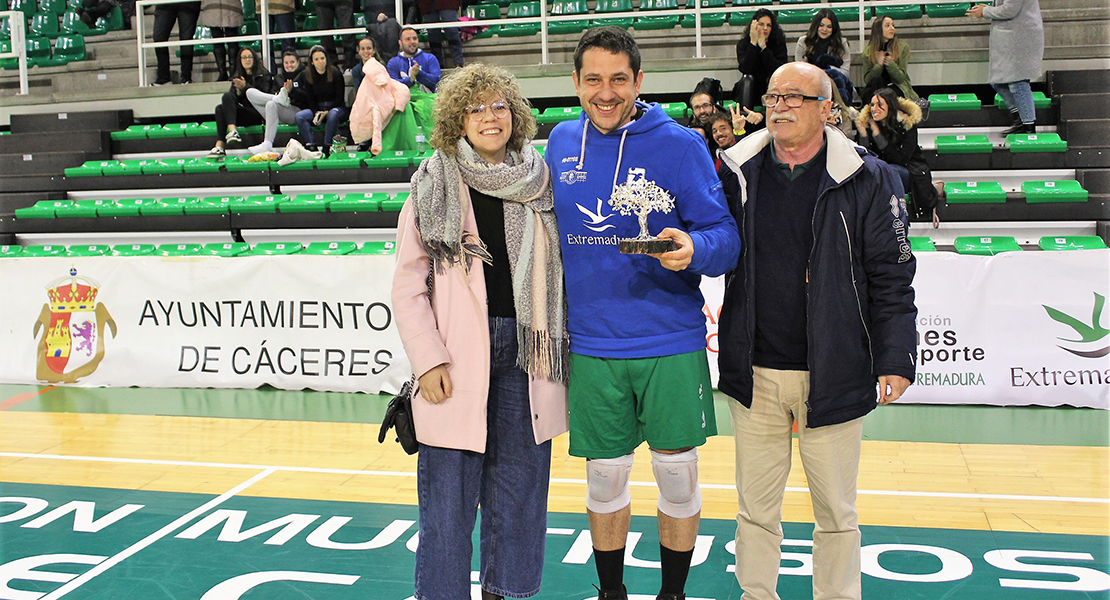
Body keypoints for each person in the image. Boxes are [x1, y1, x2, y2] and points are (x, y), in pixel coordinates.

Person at [545, 26, 740, 600]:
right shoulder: (558, 142)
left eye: (619, 80)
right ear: (575, 82)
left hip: (669, 341)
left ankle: (673, 594)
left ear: (639, 81)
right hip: (590, 344)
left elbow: (725, 237)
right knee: (604, 478)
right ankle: (611, 593)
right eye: (594, 80)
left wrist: (694, 251)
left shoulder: (680, 144)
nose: (606, 93)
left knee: (677, 476)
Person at [717, 61, 918, 600]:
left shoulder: (871, 178)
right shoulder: (737, 171)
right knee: (755, 510)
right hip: (753, 371)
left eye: (794, 97)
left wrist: (895, 357)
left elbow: (893, 277)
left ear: (827, 110)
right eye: (772, 96)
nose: (777, 106)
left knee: (835, 512)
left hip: (834, 371)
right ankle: (755, 593)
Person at [391, 62, 567, 600]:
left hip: (528, 353)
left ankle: (507, 593)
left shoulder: (541, 180)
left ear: (515, 114)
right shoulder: (431, 183)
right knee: (446, 505)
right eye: (476, 108)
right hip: (455, 358)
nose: (489, 117)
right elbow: (407, 284)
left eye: (499, 106)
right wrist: (429, 359)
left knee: (518, 498)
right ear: (455, 120)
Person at [856, 87, 941, 222]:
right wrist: (864, 135)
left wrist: (879, 137)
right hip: (881, 171)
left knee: (889, 171)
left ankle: (899, 214)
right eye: (872, 105)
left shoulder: (907, 125)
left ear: (890, 106)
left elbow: (901, 159)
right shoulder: (869, 124)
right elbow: (865, 157)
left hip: (909, 170)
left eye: (880, 105)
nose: (874, 108)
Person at [967, 0, 1044, 134]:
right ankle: (1020, 119)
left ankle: (1028, 127)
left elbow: (1010, 9)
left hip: (1020, 38)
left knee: (1018, 83)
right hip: (1012, 38)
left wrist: (984, 11)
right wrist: (989, 8)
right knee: (998, 82)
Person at [207, 47, 275, 157]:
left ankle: (228, 137)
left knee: (223, 107)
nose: (247, 60)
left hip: (258, 113)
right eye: (244, 57)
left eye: (249, 57)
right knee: (221, 105)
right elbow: (229, 101)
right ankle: (221, 143)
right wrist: (238, 93)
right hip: (244, 113)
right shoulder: (237, 76)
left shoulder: (264, 75)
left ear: (254, 59)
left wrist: (245, 87)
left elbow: (263, 97)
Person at [348, 36, 410, 154]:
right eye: (363, 48)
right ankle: (365, 140)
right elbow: (359, 90)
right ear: (359, 51)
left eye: (369, 48)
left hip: (381, 97)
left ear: (374, 50)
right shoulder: (356, 70)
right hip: (365, 98)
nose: (366, 51)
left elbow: (385, 84)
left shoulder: (381, 65)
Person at [290, 45, 348, 154]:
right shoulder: (308, 75)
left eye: (322, 58)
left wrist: (325, 112)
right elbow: (310, 98)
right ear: (312, 62)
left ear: (326, 59)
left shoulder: (335, 73)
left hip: (336, 107)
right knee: (300, 116)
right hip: (317, 108)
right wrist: (317, 113)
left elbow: (339, 99)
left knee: (333, 115)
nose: (320, 62)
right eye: (316, 59)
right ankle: (311, 146)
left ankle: (327, 146)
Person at [246, 49, 305, 155]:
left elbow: (306, 98)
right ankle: (278, 99)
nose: (289, 65)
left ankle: (267, 143)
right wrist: (278, 96)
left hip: (295, 111)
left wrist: (291, 91)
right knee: (250, 93)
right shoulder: (278, 78)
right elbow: (272, 91)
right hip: (275, 111)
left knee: (270, 104)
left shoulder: (304, 75)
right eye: (286, 63)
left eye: (292, 62)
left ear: (298, 62)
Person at [861, 15, 924, 110]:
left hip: (897, 87)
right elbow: (867, 80)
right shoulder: (868, 52)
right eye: (887, 25)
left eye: (893, 25)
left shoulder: (902, 48)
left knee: (887, 94)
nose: (892, 28)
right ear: (879, 29)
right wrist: (878, 65)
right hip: (876, 88)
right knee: (877, 81)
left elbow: (901, 78)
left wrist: (891, 64)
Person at [795, 9, 853, 105]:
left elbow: (845, 73)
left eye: (829, 26)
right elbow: (800, 70)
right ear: (816, 26)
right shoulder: (803, 42)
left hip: (834, 85)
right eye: (821, 25)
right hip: (810, 84)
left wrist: (829, 71)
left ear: (834, 28)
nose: (824, 29)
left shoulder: (842, 43)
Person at [735, 9, 787, 112]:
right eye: (761, 24)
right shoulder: (743, 44)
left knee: (772, 80)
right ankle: (746, 115)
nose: (765, 28)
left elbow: (778, 70)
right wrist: (753, 43)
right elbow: (746, 68)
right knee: (748, 79)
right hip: (751, 88)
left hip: (770, 86)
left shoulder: (778, 44)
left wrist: (764, 48)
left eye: (768, 25)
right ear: (754, 26)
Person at [151, 0, 200, 85]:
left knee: (186, 39)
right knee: (159, 37)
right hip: (164, 4)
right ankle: (163, 78)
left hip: (187, 3)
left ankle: (186, 78)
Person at [199, 0, 243, 82]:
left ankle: (234, 72)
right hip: (212, 6)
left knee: (232, 40)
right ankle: (222, 73)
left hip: (231, 6)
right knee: (217, 41)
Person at [387, 26, 442, 92]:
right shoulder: (393, 62)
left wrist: (419, 74)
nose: (412, 41)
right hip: (403, 100)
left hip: (428, 98)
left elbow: (436, 82)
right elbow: (392, 84)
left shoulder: (430, 58)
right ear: (400, 43)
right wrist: (410, 79)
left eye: (415, 38)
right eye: (408, 39)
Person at [417, 0, 464, 68]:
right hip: (427, 3)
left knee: (451, 30)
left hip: (448, 3)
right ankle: (437, 64)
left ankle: (458, 63)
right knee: (432, 33)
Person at [316, 0, 358, 70]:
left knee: (348, 33)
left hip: (344, 2)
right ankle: (331, 67)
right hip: (322, 2)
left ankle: (350, 66)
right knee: (325, 35)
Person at [257, 0, 296, 65]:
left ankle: (290, 72)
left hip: (284, 6)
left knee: (288, 44)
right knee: (265, 45)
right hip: (262, 7)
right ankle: (268, 73)